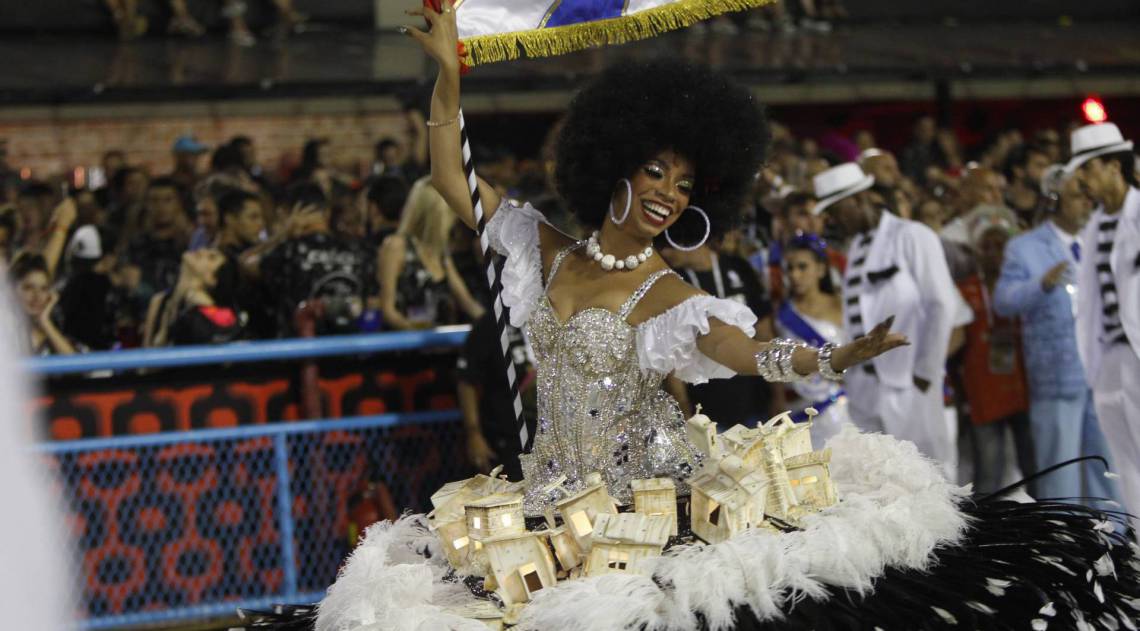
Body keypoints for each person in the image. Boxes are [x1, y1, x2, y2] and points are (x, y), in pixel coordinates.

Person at [812, 162, 959, 477]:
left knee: (930, 476)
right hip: (864, 387)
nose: (833, 220)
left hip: (908, 383)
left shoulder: (912, 235)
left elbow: (941, 304)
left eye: (836, 210)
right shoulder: (856, 248)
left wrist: (925, 371)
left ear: (859, 199)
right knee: (881, 481)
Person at [994, 165, 1120, 509]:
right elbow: (1003, 301)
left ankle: (1118, 546)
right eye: (1078, 196)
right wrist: (1040, 285)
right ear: (1054, 200)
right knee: (1059, 471)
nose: (1086, 204)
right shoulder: (1025, 247)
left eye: (1089, 197)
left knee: (1110, 470)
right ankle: (1064, 549)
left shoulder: (1103, 237)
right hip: (1056, 376)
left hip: (1104, 373)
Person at [1067, 122, 1140, 527]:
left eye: (1089, 170)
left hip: (1137, 350)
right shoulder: (1094, 227)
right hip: (1108, 356)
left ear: (1114, 166)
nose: (1083, 182)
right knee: (1126, 462)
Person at [957, 215, 1034, 495]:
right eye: (986, 246)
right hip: (982, 390)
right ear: (976, 250)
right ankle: (985, 535)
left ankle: (1051, 527)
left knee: (1035, 468)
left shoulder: (1022, 287)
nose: (993, 253)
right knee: (989, 473)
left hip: (1023, 385)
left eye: (1000, 245)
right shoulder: (964, 290)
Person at [661, 239, 775, 428]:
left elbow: (764, 332)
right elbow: (671, 354)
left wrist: (777, 393)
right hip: (705, 412)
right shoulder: (672, 283)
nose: (664, 252)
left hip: (755, 401)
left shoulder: (738, 267)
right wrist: (684, 410)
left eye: (668, 244)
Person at [256, 182, 375, 336]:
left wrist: (282, 234)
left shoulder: (288, 250)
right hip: (354, 346)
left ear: (289, 213)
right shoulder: (360, 249)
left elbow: (245, 265)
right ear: (327, 212)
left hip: (301, 351)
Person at [773, 233, 851, 447]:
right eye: (789, 268)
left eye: (802, 267)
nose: (795, 275)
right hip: (796, 416)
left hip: (839, 411)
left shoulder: (840, 305)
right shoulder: (781, 314)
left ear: (821, 269)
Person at [378, 177, 485, 330]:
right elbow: (388, 311)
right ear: (437, 214)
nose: (455, 219)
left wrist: (495, 325)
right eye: (451, 213)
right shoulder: (396, 247)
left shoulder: (441, 254)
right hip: (407, 345)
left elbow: (467, 303)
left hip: (441, 343)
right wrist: (416, 330)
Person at [143, 248, 242, 347]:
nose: (202, 250)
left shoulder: (216, 315)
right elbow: (146, 354)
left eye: (211, 258)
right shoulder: (160, 300)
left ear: (212, 279)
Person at [9, 253, 76, 355]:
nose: (37, 296)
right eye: (28, 288)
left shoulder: (53, 326)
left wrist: (44, 321)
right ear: (12, 291)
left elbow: (76, 364)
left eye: (43, 289)